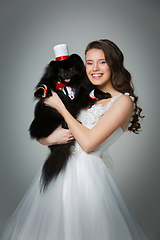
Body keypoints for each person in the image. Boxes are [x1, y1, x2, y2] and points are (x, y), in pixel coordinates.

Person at [1, 39, 148, 240]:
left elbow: (87, 143)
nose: (94, 68)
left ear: (114, 64)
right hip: (58, 170)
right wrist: (49, 138)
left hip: (87, 176)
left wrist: (60, 106)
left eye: (102, 62)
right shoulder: (88, 95)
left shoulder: (122, 102)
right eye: (89, 62)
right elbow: (46, 135)